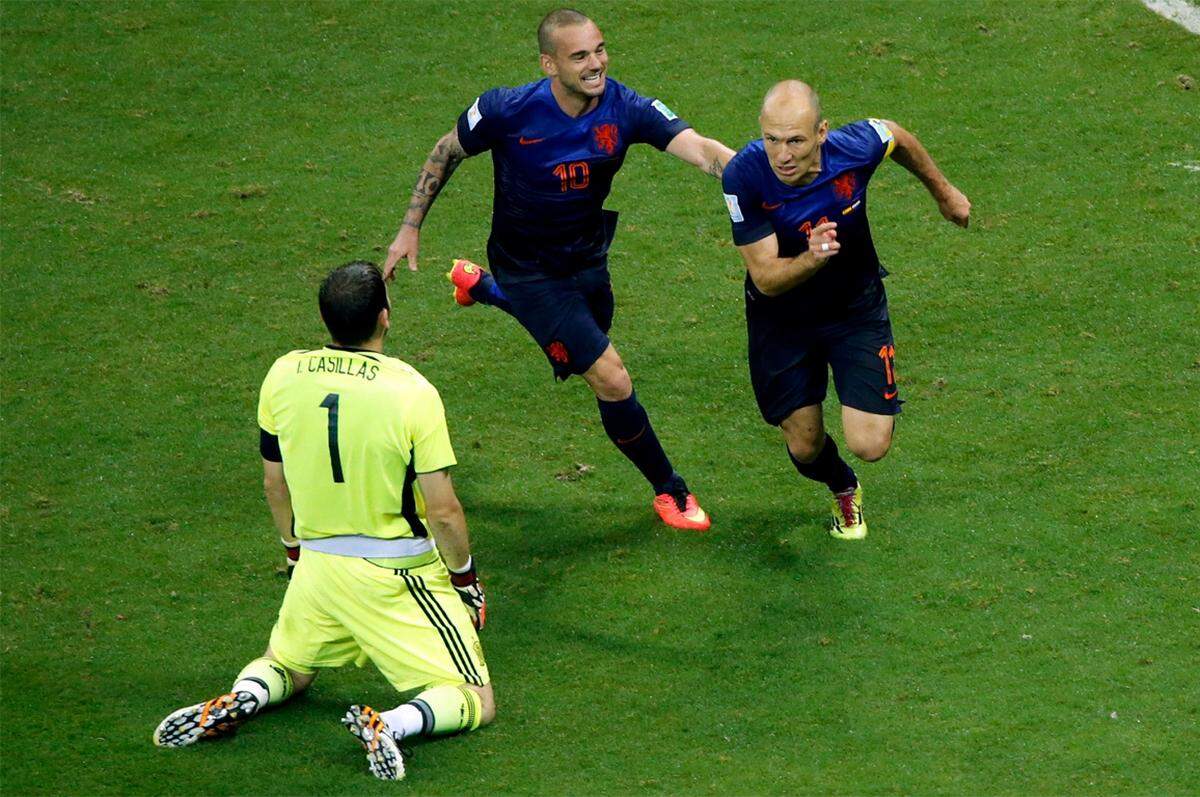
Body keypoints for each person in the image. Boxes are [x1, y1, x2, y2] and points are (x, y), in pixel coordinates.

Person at [382, 8, 735, 532]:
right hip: (527, 267)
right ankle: (671, 490)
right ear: (549, 63)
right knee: (610, 379)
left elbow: (700, 148)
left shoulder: (625, 106)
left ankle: (482, 288)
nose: (596, 64)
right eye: (580, 56)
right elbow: (446, 150)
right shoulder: (507, 110)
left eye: (599, 50)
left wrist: (760, 178)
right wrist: (411, 226)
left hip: (587, 259)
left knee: (583, 346)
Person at [153, 262, 494, 781]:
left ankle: (244, 696)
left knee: (289, 665)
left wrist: (294, 553)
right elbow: (443, 509)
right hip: (396, 576)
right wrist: (466, 579)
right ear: (385, 317)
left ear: (326, 319)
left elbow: (275, 483)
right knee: (475, 697)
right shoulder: (411, 391)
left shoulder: (283, 373)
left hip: (317, 565)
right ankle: (394, 725)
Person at [720, 81, 970, 539]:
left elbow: (895, 135)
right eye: (772, 139)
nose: (783, 154)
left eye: (795, 140)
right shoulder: (743, 177)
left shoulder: (853, 148)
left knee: (871, 444)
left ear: (821, 132)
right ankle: (842, 485)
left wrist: (944, 192)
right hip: (783, 322)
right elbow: (765, 278)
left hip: (855, 308)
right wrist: (813, 257)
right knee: (805, 445)